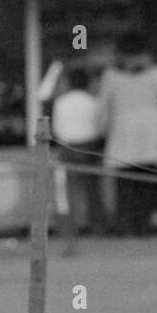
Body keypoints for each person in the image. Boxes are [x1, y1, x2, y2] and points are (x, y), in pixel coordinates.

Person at [97, 31, 157, 235]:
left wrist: (102, 132)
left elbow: (103, 109)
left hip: (122, 135)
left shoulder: (111, 76)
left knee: (125, 186)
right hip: (150, 134)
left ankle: (127, 227)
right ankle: (142, 226)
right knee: (146, 184)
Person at [51, 67, 106, 234]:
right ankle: (98, 228)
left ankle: (69, 229)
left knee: (69, 192)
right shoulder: (93, 101)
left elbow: (56, 129)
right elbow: (100, 128)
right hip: (90, 148)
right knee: (93, 191)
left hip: (67, 148)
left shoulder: (61, 102)